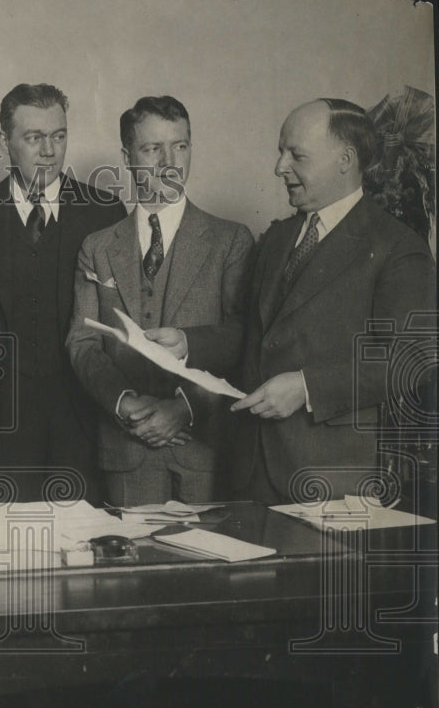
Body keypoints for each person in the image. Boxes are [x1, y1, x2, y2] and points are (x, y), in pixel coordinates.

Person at [230, 98, 435, 503]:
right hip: (250, 472)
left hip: (333, 479)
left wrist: (306, 387)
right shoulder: (276, 239)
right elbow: (253, 335)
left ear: (345, 160)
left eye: (297, 155)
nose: (279, 167)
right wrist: (186, 342)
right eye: (280, 152)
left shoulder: (397, 247)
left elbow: (414, 361)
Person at [67, 96, 254, 505]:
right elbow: (83, 343)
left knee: (209, 565)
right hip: (125, 451)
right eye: (153, 149)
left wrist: (185, 407)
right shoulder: (98, 247)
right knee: (132, 569)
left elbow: (243, 339)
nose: (170, 162)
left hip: (203, 448)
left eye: (180, 146)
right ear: (128, 157)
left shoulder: (231, 241)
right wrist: (125, 403)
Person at [0, 83, 126, 503]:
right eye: (34, 138)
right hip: (1, 430)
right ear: (6, 143)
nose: (49, 150)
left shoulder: (105, 212)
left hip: (84, 422)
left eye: (58, 136)